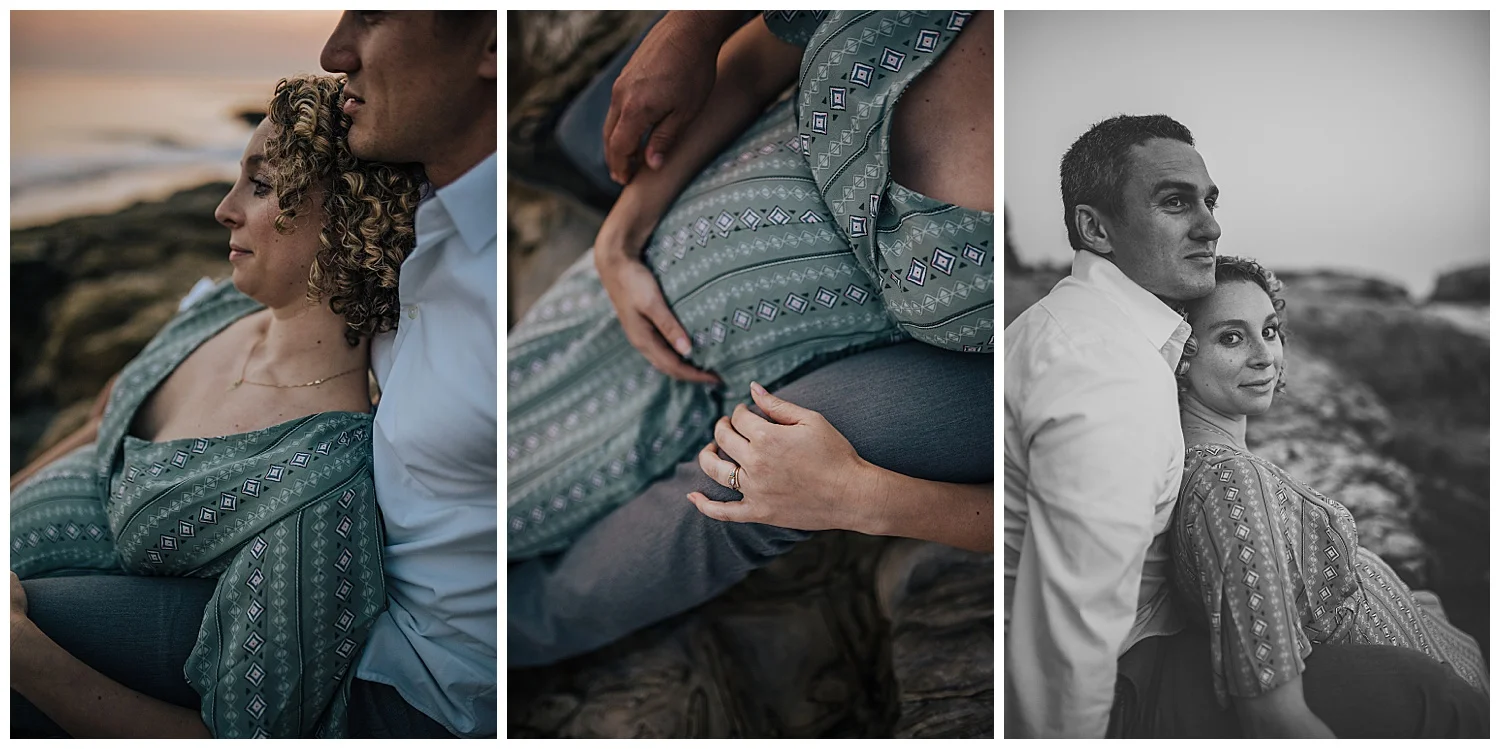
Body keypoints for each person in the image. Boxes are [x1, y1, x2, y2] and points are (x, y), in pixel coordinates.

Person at [509, 10, 994, 665]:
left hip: (917, 372)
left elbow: (1092, 510)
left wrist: (863, 498)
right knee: (478, 464)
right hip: (668, 257)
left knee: (746, 482)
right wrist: (621, 237)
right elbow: (760, 59)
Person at [1003, 113, 1487, 738]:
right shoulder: (1111, 375)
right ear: (1095, 227)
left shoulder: (1079, 333)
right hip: (1134, 694)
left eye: (1209, 201)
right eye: (1175, 202)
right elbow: (1071, 629)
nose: (1210, 225)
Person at [10, 75, 424, 738]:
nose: (223, 210)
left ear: (344, 219)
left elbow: (243, 734)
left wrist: (21, 657)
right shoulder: (224, 308)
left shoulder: (315, 486)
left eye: (259, 186)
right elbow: (97, 425)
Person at [1168, 255, 1487, 737]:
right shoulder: (1229, 481)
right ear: (1181, 354)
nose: (1264, 356)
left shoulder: (1216, 464)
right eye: (1231, 337)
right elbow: (1275, 715)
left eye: (1270, 331)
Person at [319, 9, 498, 738]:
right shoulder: (395, 217)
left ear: (493, 43)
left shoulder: (509, 282)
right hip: (350, 624)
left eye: (371, 14)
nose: (334, 53)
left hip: (433, 691)